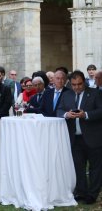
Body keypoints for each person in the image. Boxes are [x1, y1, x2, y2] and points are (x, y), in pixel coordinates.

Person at [57, 70, 102, 205]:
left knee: (95, 168)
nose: (77, 87)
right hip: (75, 139)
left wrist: (86, 114)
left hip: (93, 137)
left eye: (79, 84)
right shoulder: (67, 95)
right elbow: (59, 110)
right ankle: (81, 192)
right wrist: (66, 115)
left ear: (85, 82)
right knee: (78, 167)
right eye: (74, 84)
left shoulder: (96, 93)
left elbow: (101, 111)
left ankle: (92, 194)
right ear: (70, 83)